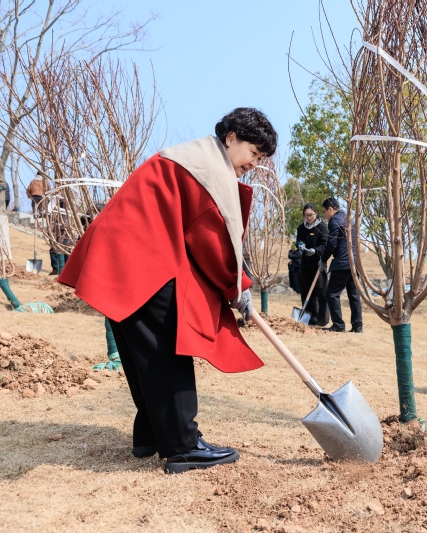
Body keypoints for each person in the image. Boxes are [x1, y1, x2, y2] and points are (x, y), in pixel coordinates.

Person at [59, 107, 277, 474]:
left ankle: (150, 435)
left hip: (118, 255)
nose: (254, 163)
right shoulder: (208, 170)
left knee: (141, 351)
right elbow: (212, 239)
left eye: (260, 158)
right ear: (231, 138)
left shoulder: (190, 156)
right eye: (253, 154)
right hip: (138, 258)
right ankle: (182, 446)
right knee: (167, 346)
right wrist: (236, 285)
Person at [320, 197, 363, 333]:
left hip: (342, 263)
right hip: (354, 263)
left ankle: (338, 325)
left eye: (324, 211)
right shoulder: (349, 219)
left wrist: (323, 259)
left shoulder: (334, 221)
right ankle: (357, 327)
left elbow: (332, 244)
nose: (325, 215)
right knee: (354, 295)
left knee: (331, 293)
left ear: (330, 209)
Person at [295, 203, 329, 326]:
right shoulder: (301, 228)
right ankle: (309, 318)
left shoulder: (322, 227)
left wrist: (315, 251)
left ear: (316, 214)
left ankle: (322, 320)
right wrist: (300, 245)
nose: (309, 218)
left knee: (321, 292)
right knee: (306, 292)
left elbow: (325, 245)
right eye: (306, 215)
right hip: (305, 265)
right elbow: (299, 240)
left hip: (318, 264)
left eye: (311, 215)